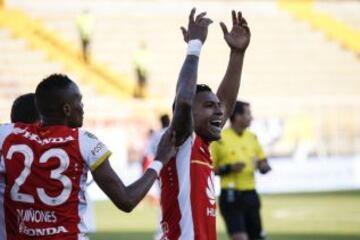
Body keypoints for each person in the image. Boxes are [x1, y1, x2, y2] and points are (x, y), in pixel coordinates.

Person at [0, 73, 176, 239]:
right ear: (67, 109)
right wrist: (159, 160)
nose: (82, 106)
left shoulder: (7, 135)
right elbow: (127, 200)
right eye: (79, 101)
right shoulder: (84, 142)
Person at [159, 8, 250, 240]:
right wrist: (195, 45)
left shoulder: (201, 146)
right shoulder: (180, 141)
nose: (219, 110)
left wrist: (237, 54)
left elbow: (226, 105)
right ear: (188, 114)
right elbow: (184, 100)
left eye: (217, 106)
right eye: (209, 106)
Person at [211, 101, 272, 240]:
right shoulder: (219, 138)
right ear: (237, 116)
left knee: (257, 237)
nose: (251, 117)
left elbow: (263, 160)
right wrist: (229, 168)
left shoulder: (252, 137)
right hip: (230, 195)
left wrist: (264, 166)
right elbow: (210, 169)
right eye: (248, 113)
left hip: (251, 194)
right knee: (240, 237)